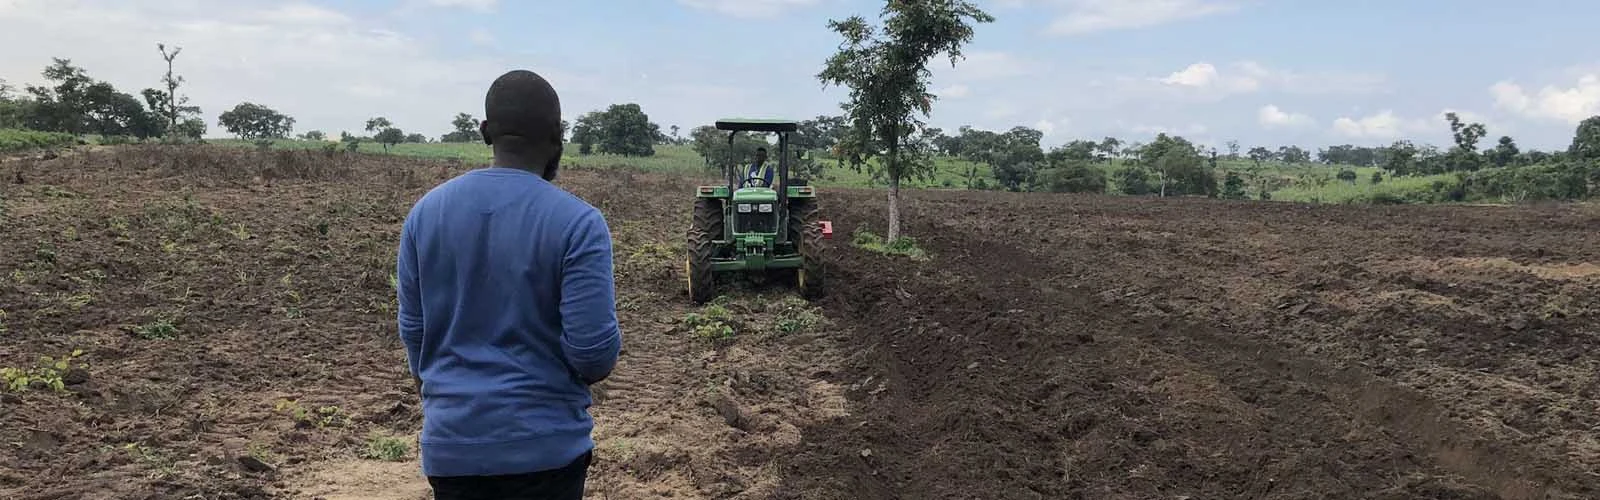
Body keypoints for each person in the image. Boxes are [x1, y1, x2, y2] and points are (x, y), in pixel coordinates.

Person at [395, 69, 622, 500]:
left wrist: (455, 409)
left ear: (485, 132)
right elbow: (593, 355)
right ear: (559, 136)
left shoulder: (425, 215)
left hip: (451, 451)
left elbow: (415, 337)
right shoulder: (578, 223)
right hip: (546, 455)